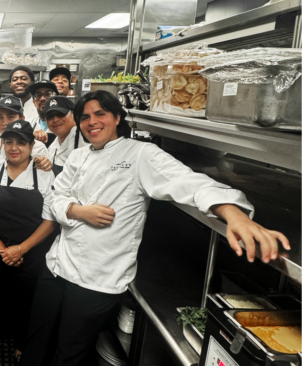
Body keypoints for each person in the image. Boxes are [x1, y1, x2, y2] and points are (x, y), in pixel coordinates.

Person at [22, 90, 290, 366]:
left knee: (70, 350)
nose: (92, 122)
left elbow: (189, 182)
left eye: (100, 114)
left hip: (97, 277)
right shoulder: (79, 156)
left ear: (117, 117)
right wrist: (79, 211)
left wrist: (235, 216)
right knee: (38, 335)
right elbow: (54, 196)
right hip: (56, 265)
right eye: (85, 117)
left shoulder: (140, 154)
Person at [0, 120, 58, 363]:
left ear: (32, 146)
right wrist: (3, 250)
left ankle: (23, 344)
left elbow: (50, 221)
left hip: (30, 251)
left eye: (21, 142)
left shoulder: (43, 174)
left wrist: (20, 249)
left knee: (26, 299)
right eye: (9, 141)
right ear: (2, 144)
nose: (14, 148)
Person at [0, 96, 51, 196]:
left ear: (22, 118)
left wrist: (45, 163)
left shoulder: (37, 146)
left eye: (10, 116)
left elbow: (45, 182)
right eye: (0, 117)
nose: (5, 122)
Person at [44, 96, 88, 176]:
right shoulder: (54, 145)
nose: (55, 120)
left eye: (60, 114)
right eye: (50, 117)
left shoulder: (85, 137)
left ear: (75, 115)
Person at [28, 80, 59, 146]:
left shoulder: (63, 124)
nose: (42, 98)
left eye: (47, 94)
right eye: (38, 95)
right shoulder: (29, 124)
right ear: (34, 102)